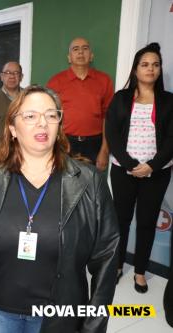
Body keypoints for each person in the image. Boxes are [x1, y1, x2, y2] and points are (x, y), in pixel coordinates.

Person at [0, 85, 119, 333]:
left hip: (59, 314)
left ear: (59, 125)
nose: (42, 123)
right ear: (12, 129)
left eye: (51, 115)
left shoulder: (88, 180)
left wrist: (94, 323)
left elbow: (107, 258)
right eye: (30, 116)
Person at [105, 42, 173, 293]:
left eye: (155, 64)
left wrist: (151, 166)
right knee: (120, 221)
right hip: (124, 170)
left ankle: (141, 271)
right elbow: (111, 133)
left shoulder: (168, 101)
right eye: (145, 64)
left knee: (146, 221)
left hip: (157, 172)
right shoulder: (120, 98)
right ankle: (118, 265)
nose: (150, 69)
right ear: (135, 70)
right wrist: (131, 164)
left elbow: (171, 140)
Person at [47, 37, 114, 170]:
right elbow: (49, 117)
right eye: (75, 49)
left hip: (95, 144)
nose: (80, 52)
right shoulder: (55, 82)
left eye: (85, 48)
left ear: (91, 56)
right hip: (65, 142)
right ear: (69, 57)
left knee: (92, 185)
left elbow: (109, 117)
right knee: (64, 184)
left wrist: (104, 150)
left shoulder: (104, 80)